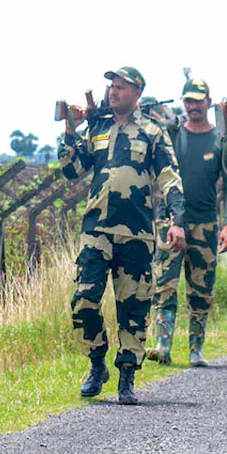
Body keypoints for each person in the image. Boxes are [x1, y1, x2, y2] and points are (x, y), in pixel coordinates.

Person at [59, 66, 186, 404]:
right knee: (83, 299)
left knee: (134, 307)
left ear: (137, 93)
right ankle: (97, 362)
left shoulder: (152, 131)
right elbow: (72, 170)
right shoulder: (97, 128)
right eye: (111, 87)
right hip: (96, 230)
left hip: (138, 233)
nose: (113, 92)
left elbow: (170, 176)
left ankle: (127, 375)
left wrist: (177, 219)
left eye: (121, 87)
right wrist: (71, 131)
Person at [145, 78, 227, 367]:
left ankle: (196, 349)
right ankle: (163, 345)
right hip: (171, 222)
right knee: (165, 285)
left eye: (198, 101)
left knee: (201, 290)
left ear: (208, 102)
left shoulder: (220, 141)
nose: (193, 106)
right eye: (188, 101)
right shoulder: (174, 136)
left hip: (206, 224)